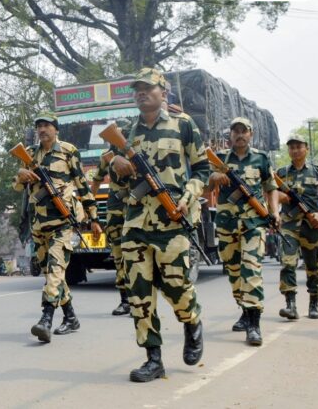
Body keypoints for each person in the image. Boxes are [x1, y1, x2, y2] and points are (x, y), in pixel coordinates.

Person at [110, 68, 208, 383]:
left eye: (148, 88)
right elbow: (112, 174)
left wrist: (188, 197)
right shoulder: (126, 132)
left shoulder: (183, 125)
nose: (141, 93)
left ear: (163, 92)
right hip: (136, 221)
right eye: (137, 89)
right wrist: (116, 164)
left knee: (177, 286)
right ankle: (153, 359)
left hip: (173, 220)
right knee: (139, 293)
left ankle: (191, 320)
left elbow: (203, 170)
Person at [13, 112, 101, 342]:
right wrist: (21, 175)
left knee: (55, 271)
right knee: (52, 275)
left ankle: (46, 319)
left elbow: (82, 184)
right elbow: (17, 186)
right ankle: (71, 317)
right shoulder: (29, 154)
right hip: (38, 224)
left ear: (56, 129)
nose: (42, 130)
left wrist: (93, 217)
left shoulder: (68, 151)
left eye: (47, 126)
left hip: (62, 223)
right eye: (39, 126)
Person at [208, 117, 278, 346]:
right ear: (230, 135)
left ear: (251, 134)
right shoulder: (219, 159)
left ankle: (254, 324)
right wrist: (213, 178)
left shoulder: (261, 158)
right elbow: (204, 185)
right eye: (235, 131)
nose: (239, 135)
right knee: (234, 271)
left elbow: (271, 188)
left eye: (244, 131)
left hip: (253, 224)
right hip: (227, 224)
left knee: (251, 270)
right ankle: (245, 311)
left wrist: (274, 213)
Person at [276, 134, 318, 320]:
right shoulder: (281, 173)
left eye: (298, 146)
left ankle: (313, 304)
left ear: (306, 148)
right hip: (289, 226)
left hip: (312, 225)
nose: (295, 150)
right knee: (287, 263)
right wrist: (279, 200)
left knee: (313, 266)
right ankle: (290, 305)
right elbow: (271, 193)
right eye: (291, 147)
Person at [90, 120, 131, 316]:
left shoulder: (136, 154)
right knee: (118, 255)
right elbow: (96, 182)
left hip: (137, 210)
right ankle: (125, 300)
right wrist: (89, 207)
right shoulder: (107, 158)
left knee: (138, 254)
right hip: (115, 212)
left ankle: (140, 299)